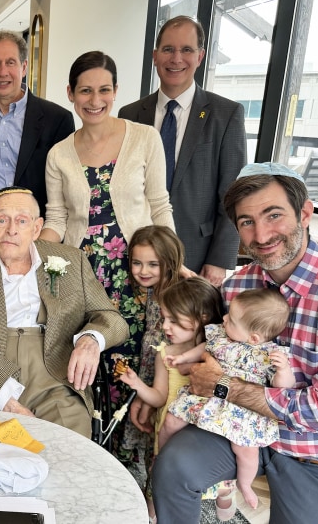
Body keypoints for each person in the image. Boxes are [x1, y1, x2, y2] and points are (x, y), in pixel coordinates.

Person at [153, 162, 318, 524]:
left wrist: (226, 387)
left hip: (314, 450)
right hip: (239, 428)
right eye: (246, 222)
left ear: (305, 212)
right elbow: (205, 347)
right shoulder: (237, 285)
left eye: (274, 215)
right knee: (173, 466)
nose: (261, 234)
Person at [39, 50, 177, 456]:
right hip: (84, 274)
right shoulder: (59, 153)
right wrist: (34, 258)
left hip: (139, 273)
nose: (94, 99)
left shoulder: (144, 138)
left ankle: (129, 457)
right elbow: (57, 217)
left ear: (116, 91)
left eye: (103, 90)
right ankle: (88, 451)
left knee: (136, 362)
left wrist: (174, 264)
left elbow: (160, 204)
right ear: (70, 93)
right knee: (86, 359)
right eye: (85, 90)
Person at [0, 186, 129, 438]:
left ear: (37, 228)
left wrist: (90, 340)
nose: (11, 230)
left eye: (21, 220)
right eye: (2, 220)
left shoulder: (72, 260)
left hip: (55, 374)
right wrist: (5, 398)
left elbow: (112, 319)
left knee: (66, 449)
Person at [118, 15, 246, 287]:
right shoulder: (129, 115)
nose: (176, 59)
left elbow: (234, 196)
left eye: (186, 50)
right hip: (136, 254)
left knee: (185, 329)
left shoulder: (226, 115)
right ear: (155, 56)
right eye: (168, 49)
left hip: (198, 256)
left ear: (200, 56)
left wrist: (220, 260)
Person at [162, 288, 293, 511]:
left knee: (246, 449)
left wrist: (283, 371)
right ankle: (161, 453)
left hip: (242, 410)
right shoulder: (222, 336)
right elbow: (204, 347)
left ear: (254, 338)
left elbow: (283, 388)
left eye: (231, 319)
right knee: (172, 419)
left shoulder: (269, 355)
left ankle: (245, 484)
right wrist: (183, 357)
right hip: (208, 396)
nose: (223, 318)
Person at [119, 276, 223, 522]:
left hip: (200, 437)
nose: (166, 326)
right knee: (159, 483)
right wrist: (137, 384)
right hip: (166, 434)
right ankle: (148, 516)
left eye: (175, 321)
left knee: (195, 490)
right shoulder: (164, 354)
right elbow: (158, 397)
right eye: (165, 318)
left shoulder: (215, 353)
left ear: (203, 319)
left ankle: (222, 498)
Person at [0, 30, 75, 245]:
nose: (3, 71)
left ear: (24, 68)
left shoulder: (57, 119)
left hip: (35, 235)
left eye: (10, 62)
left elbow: (65, 189)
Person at [118, 224, 185, 514]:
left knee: (158, 452)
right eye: (137, 262)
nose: (143, 270)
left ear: (169, 262)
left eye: (153, 264)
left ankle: (155, 510)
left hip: (168, 388)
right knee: (147, 447)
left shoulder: (177, 296)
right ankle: (149, 507)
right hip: (151, 380)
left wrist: (146, 398)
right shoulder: (155, 292)